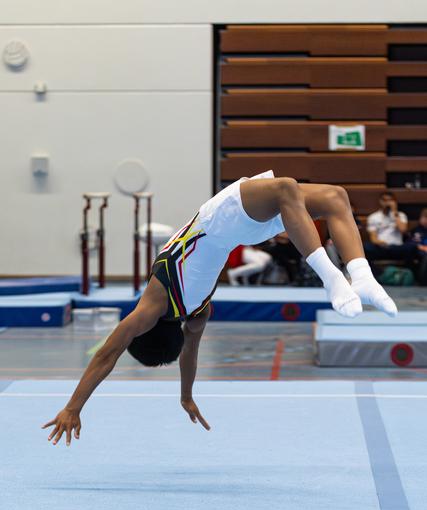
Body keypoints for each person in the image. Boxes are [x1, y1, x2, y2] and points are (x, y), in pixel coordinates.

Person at [42, 170, 397, 445]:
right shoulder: (152, 305)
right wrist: (72, 407)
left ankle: (361, 275)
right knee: (287, 186)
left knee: (336, 197)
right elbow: (108, 354)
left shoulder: (196, 315)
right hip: (219, 220)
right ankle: (333, 279)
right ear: (147, 331)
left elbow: (188, 355)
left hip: (240, 231)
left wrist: (186, 395)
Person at [364, 191, 416, 266]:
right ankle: (375, 274)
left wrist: (394, 212)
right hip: (381, 248)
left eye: (390, 200)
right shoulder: (373, 217)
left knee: (412, 247)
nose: (387, 203)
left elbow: (403, 230)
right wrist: (380, 243)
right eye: (384, 200)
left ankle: (407, 273)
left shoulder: (401, 215)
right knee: (366, 247)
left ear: (394, 202)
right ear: (380, 201)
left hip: (397, 248)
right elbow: (373, 238)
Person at [408, 208, 427, 285]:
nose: (426, 220)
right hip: (419, 253)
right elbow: (411, 243)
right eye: (424, 217)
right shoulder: (417, 230)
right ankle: (422, 281)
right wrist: (421, 247)